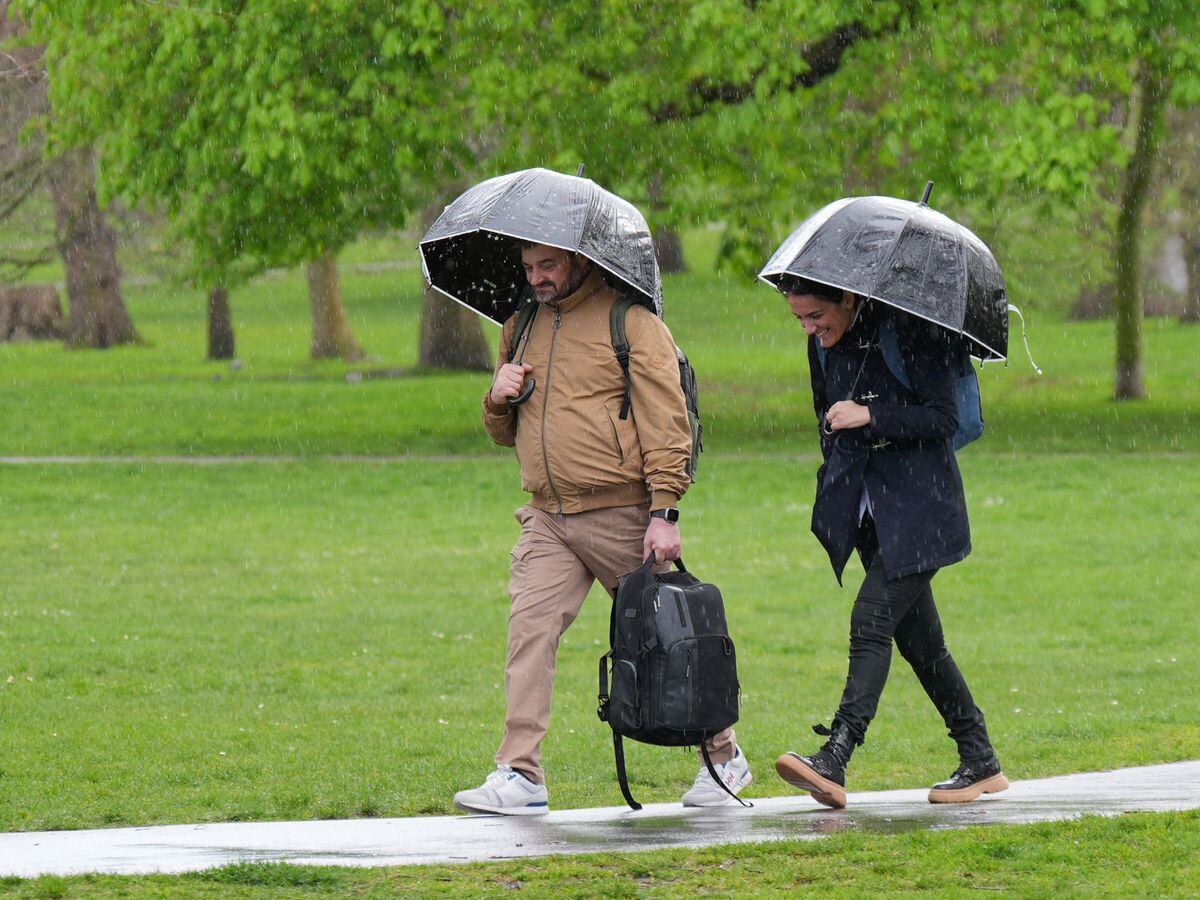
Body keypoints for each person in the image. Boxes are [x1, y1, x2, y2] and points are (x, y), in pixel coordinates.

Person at [453, 242, 750, 815]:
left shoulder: (631, 323)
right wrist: (496, 397)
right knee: (529, 633)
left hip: (623, 514)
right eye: (528, 268)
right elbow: (502, 430)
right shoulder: (518, 328)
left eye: (548, 266)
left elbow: (666, 421)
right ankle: (520, 775)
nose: (537, 278)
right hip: (547, 516)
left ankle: (723, 756)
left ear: (580, 260)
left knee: (670, 638)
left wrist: (664, 511)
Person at [773, 275, 1006, 809]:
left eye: (816, 317)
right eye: (800, 320)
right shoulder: (822, 346)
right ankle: (981, 760)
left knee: (871, 620)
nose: (810, 329)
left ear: (848, 298)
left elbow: (943, 418)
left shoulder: (911, 332)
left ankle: (835, 756)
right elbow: (822, 415)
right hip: (869, 517)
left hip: (923, 511)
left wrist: (870, 414)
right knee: (922, 645)